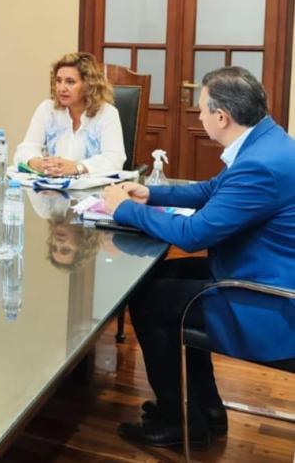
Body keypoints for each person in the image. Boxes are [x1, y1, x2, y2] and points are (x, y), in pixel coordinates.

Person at [102, 66, 295, 447]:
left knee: (148, 302)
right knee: (155, 282)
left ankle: (178, 421)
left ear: (222, 117)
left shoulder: (259, 165)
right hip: (259, 267)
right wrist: (150, 195)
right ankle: (204, 407)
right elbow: (211, 191)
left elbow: (194, 235)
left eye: (202, 110)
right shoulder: (269, 140)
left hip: (266, 297)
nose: (200, 116)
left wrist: (122, 209)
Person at [14, 52, 126, 177]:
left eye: (70, 82)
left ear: (88, 85)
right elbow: (25, 149)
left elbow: (114, 160)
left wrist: (77, 167)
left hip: (92, 192)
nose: (62, 88)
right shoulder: (47, 109)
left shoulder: (107, 113)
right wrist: (37, 163)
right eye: (58, 81)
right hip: (50, 190)